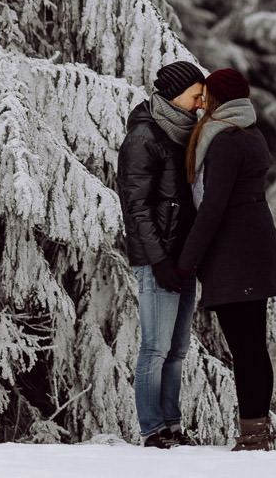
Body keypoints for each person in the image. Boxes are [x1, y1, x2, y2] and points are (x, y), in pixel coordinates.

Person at [176, 67, 276, 452]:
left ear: (221, 98)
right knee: (253, 346)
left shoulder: (225, 140)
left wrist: (185, 262)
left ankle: (253, 437)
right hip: (253, 248)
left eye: (207, 94)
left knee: (246, 348)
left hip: (235, 254)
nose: (202, 101)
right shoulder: (248, 133)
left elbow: (212, 208)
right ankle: (257, 432)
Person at [117, 60, 206, 448]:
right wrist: (159, 260)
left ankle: (172, 425)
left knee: (178, 348)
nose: (202, 102)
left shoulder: (185, 133)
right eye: (196, 94)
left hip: (183, 258)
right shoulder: (144, 136)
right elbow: (135, 206)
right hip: (159, 259)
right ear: (176, 92)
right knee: (155, 347)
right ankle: (152, 430)